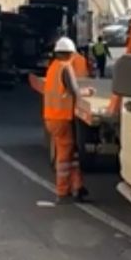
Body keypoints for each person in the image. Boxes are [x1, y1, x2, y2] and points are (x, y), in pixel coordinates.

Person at [43, 37, 94, 204]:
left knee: (71, 154)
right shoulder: (66, 68)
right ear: (70, 54)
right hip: (62, 118)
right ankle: (62, 191)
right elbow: (74, 91)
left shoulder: (52, 68)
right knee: (65, 158)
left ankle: (76, 187)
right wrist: (87, 92)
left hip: (52, 118)